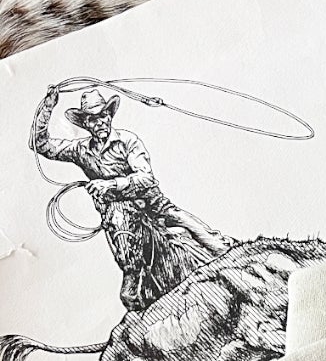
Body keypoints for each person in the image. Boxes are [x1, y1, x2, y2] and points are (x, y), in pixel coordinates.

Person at [30, 85, 230, 311]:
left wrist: (110, 185)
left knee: (190, 226)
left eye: (103, 116)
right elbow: (40, 145)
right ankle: (133, 276)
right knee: (124, 255)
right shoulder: (80, 149)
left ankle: (224, 249)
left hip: (151, 205)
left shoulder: (128, 141)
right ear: (85, 123)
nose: (100, 123)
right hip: (118, 216)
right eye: (93, 120)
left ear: (109, 116)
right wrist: (48, 107)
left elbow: (146, 178)